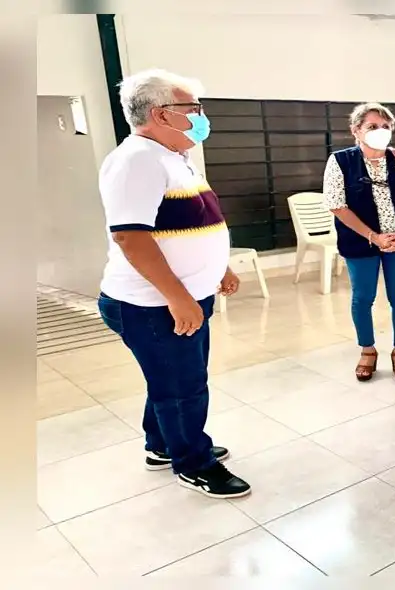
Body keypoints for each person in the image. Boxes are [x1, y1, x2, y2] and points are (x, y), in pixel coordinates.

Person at [96, 69, 250, 499]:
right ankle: (193, 462)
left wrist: (218, 268)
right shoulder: (136, 161)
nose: (201, 117)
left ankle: (162, 445)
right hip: (150, 305)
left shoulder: (172, 158)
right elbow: (131, 236)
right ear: (162, 114)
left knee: (173, 378)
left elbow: (189, 223)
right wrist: (179, 298)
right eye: (194, 109)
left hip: (182, 297)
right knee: (182, 386)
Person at [322, 102, 395, 382]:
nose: (380, 131)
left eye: (385, 126)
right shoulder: (340, 161)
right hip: (360, 242)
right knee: (363, 297)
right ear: (356, 131)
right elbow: (337, 205)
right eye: (372, 126)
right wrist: (373, 236)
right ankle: (367, 350)